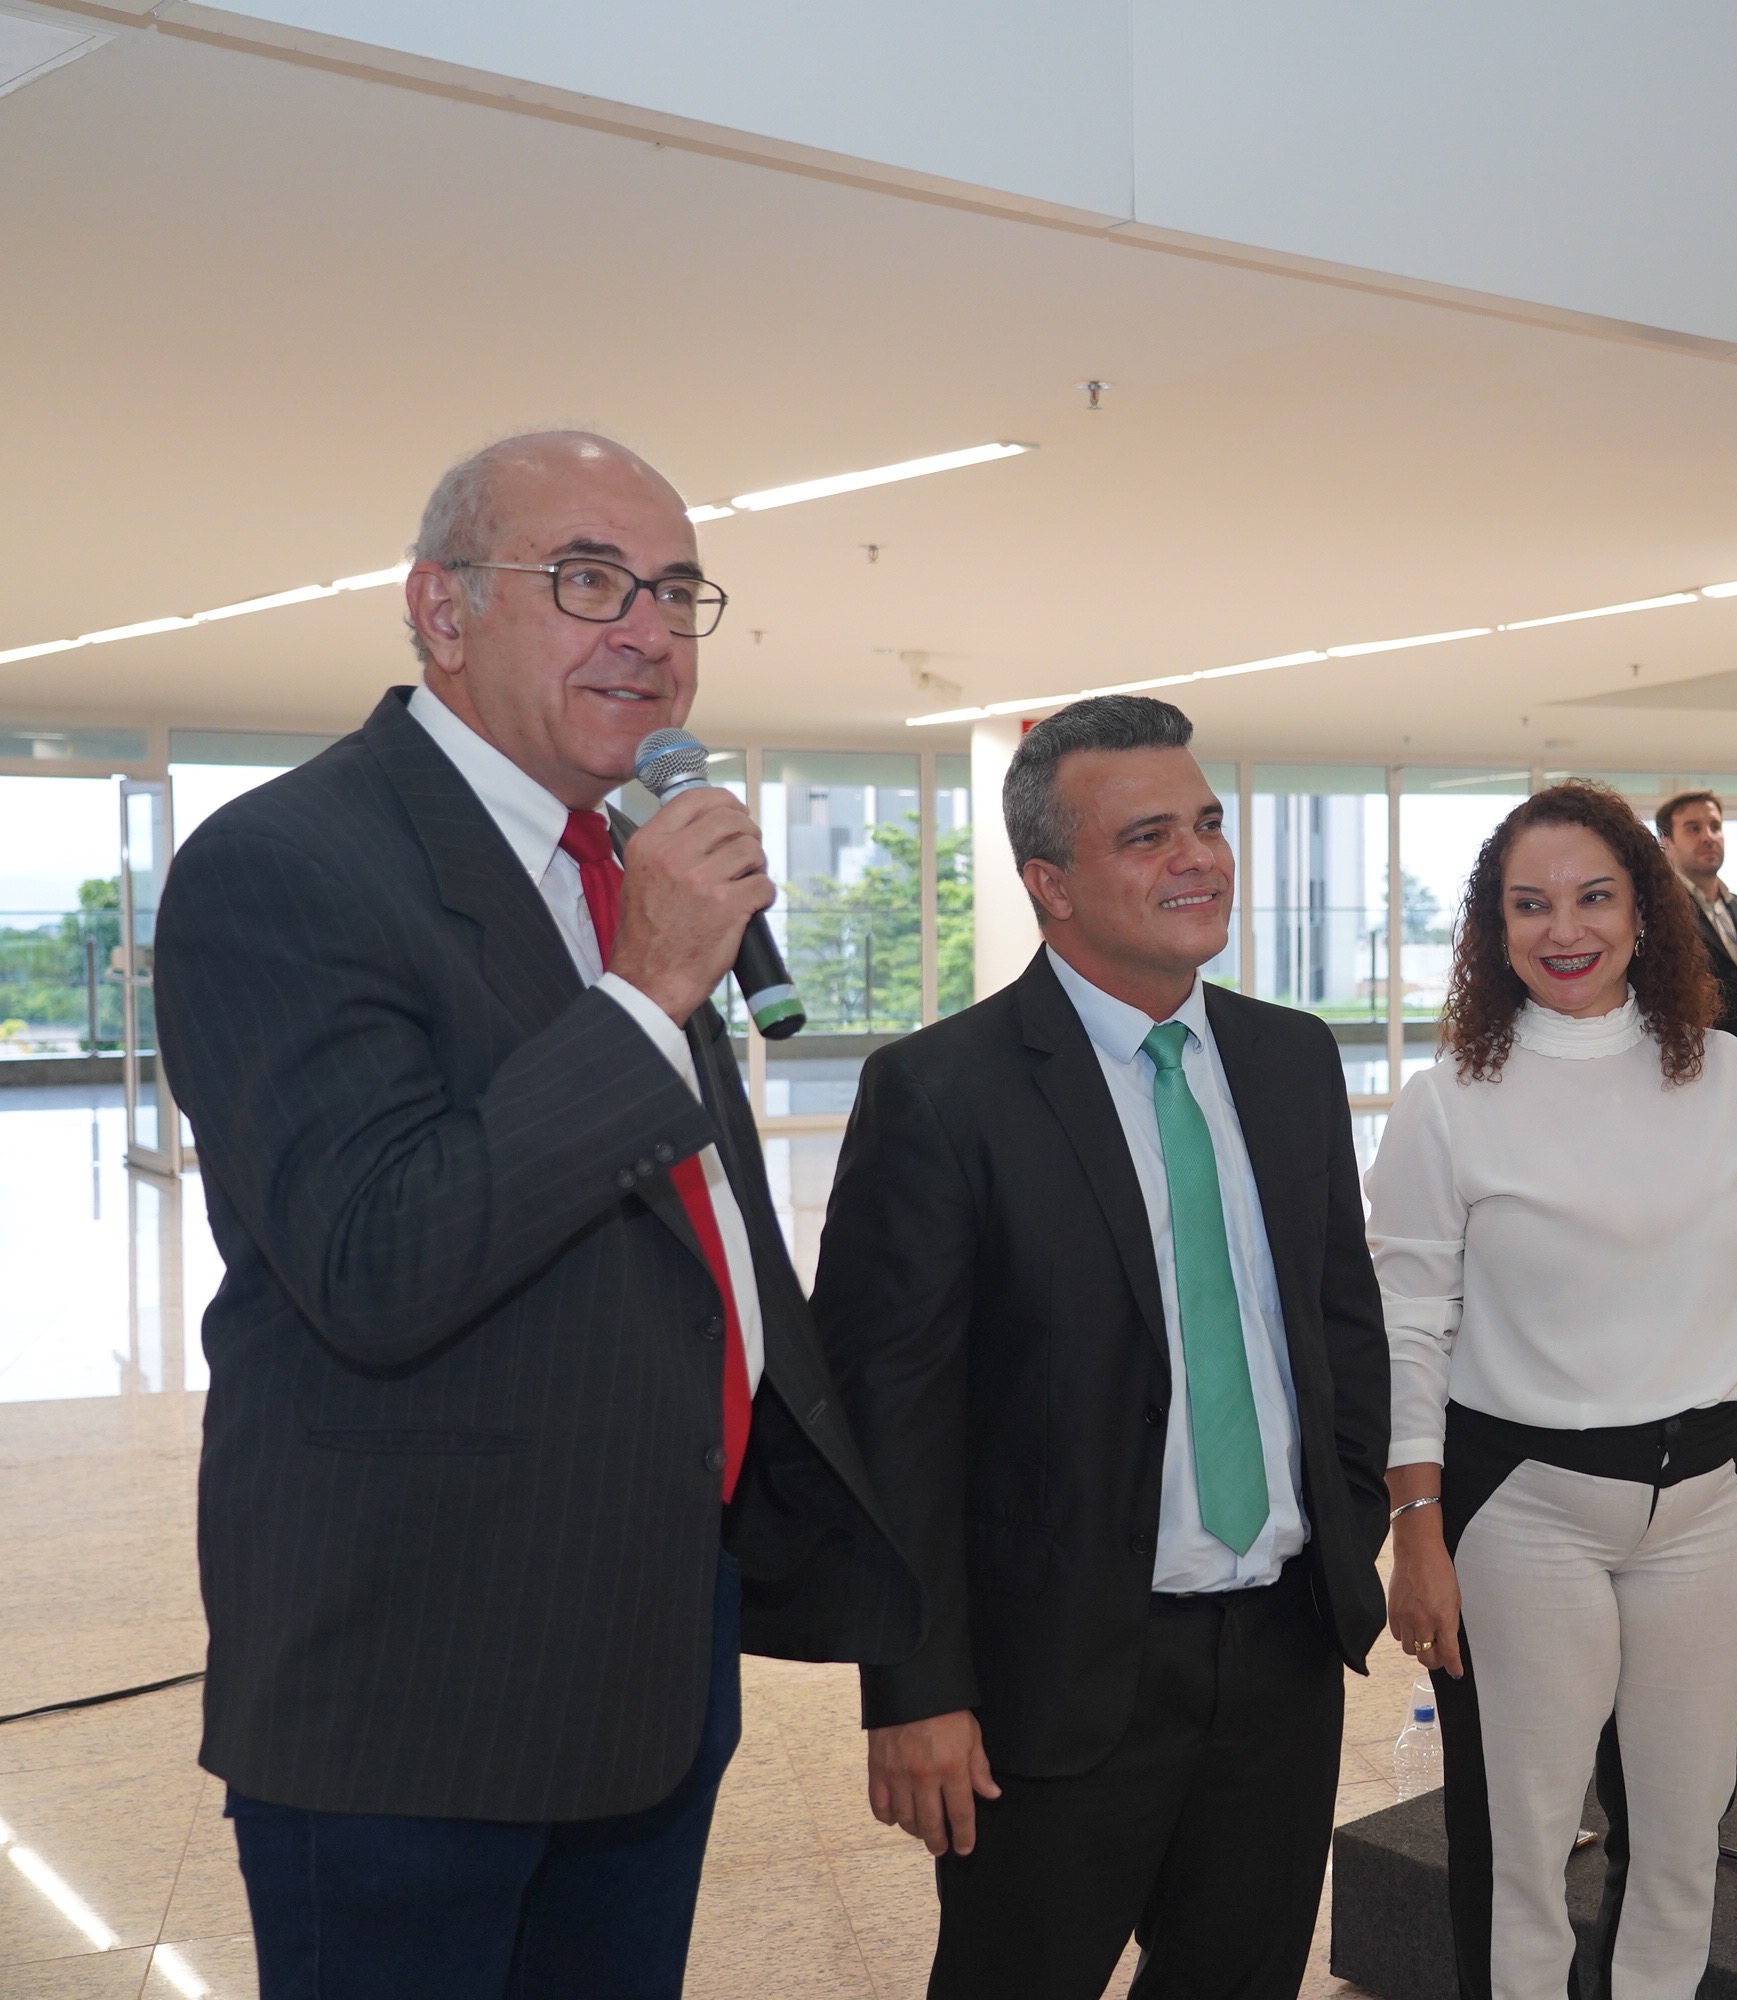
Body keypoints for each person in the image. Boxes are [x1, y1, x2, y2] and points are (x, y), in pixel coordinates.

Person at [152, 430, 920, 1998]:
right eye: (587, 580)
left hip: (649, 1654)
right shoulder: (289, 863)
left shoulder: (620, 862)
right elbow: (377, 1258)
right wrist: (643, 996)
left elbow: (690, 1236)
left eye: (677, 591)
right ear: (440, 610)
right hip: (417, 1693)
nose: (647, 630)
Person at [811, 694, 1391, 2000]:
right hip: (1055, 1674)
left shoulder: (1290, 1060)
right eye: (1147, 836)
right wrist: (912, 1688)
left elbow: (1337, 1328)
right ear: (1050, 884)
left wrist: (1345, 1520)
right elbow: (892, 1422)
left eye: (1206, 823)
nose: (1198, 857)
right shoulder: (941, 1092)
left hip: (1281, 1656)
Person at [1371, 782, 1737, 2000]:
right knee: (1521, 1850)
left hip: (1704, 1500)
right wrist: (1415, 1530)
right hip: (1521, 1506)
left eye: (1592, 896)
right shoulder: (1446, 1102)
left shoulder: (1729, 1078)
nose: (1564, 928)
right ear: (1494, 929)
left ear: (1644, 910)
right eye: (1528, 904)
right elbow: (1408, 1332)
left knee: (1682, 1839)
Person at [1656, 788, 1737, 1045]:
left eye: (1715, 827)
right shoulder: (1656, 913)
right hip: (1690, 1057)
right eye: (1693, 828)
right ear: (1666, 843)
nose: (1708, 837)